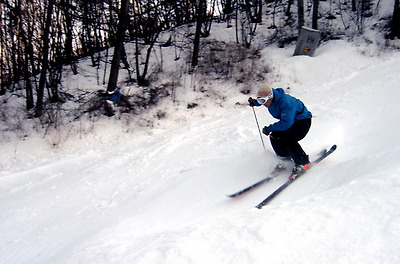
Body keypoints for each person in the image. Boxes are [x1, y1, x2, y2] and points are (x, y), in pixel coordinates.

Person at [248, 84, 312, 176]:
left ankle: (303, 162)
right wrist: (255, 102)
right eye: (260, 100)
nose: (263, 104)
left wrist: (269, 128)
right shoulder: (269, 99)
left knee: (286, 138)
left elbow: (286, 123)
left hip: (302, 122)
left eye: (263, 101)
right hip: (291, 122)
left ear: (270, 98)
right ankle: (285, 161)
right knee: (274, 136)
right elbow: (263, 100)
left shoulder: (286, 103)